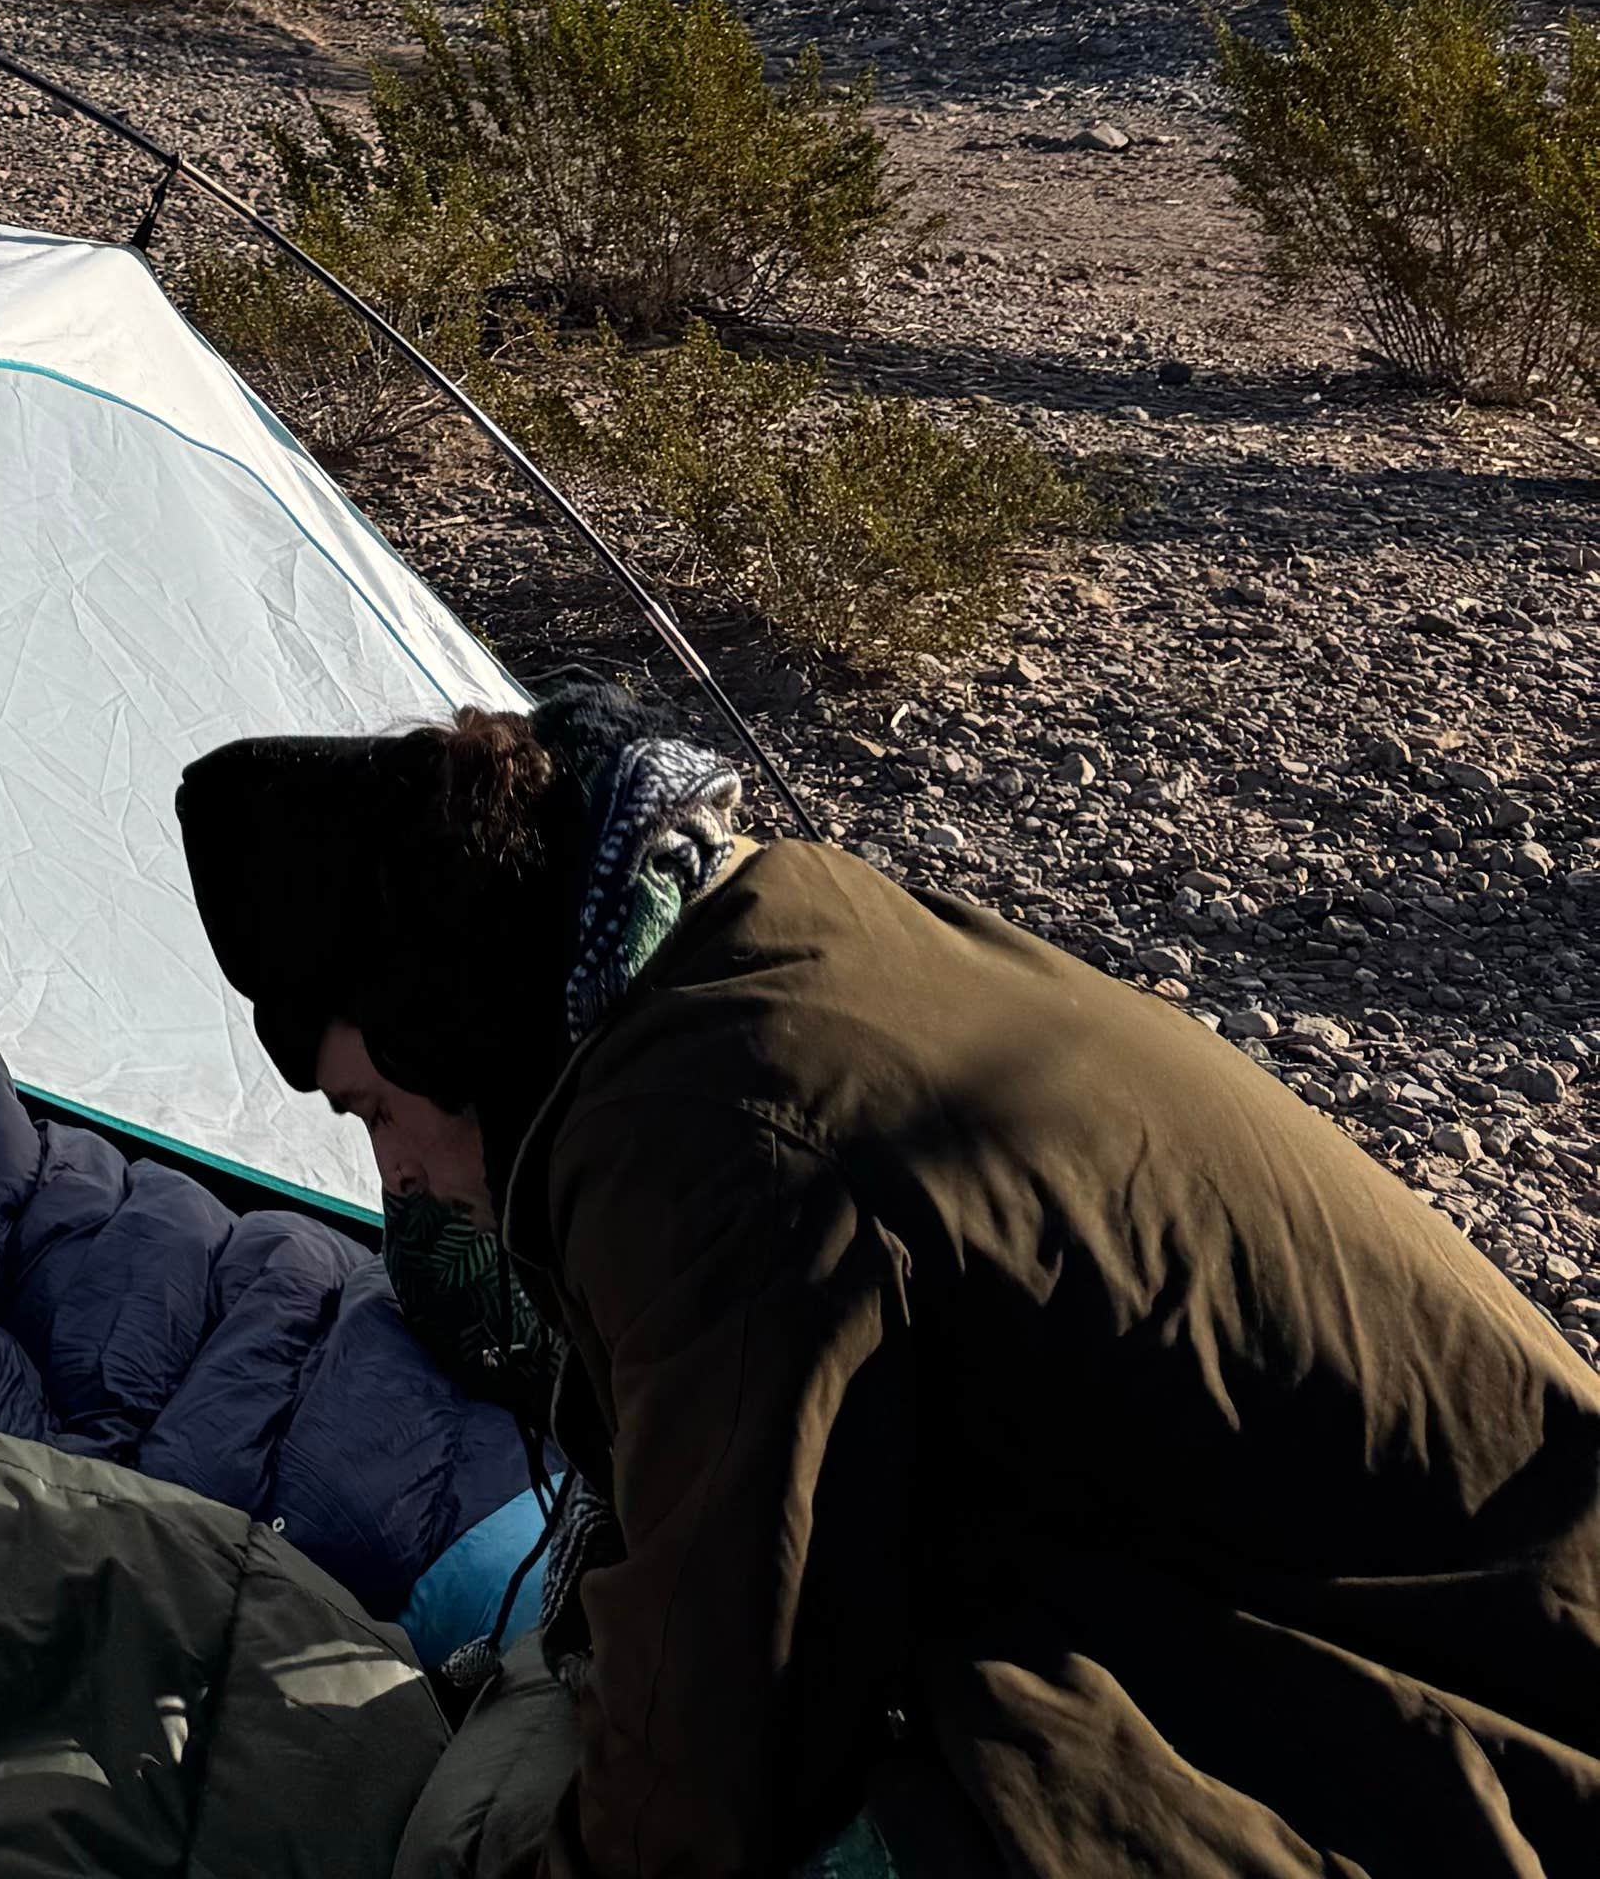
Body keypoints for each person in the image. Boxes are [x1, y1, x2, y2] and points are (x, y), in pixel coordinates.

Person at [178, 683, 1600, 1879]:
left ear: (443, 1022)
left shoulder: (711, 1141)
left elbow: (711, 1764)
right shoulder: (767, 932)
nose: (399, 1178)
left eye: (368, 1111)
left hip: (1459, 1720)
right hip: (1474, 1595)